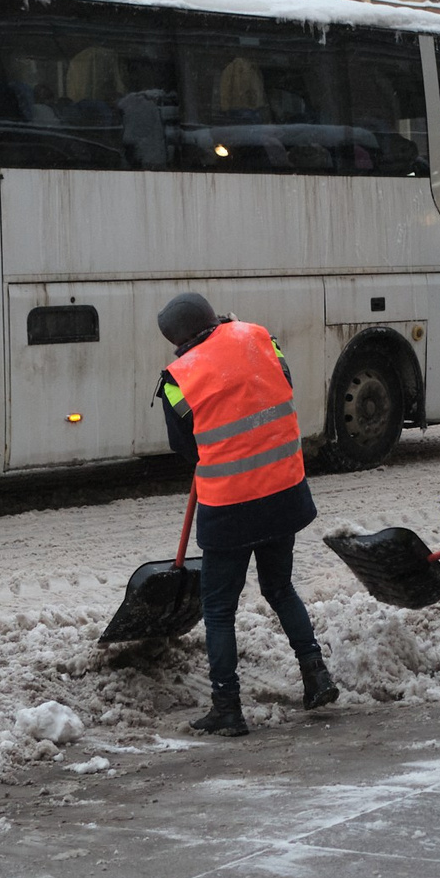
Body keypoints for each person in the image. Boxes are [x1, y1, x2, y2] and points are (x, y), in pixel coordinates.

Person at [157, 292, 336, 735]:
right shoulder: (260, 337)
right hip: (282, 490)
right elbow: (281, 387)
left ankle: (228, 708)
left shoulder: (178, 377)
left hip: (230, 506)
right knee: (279, 587)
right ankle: (316, 676)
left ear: (176, 340)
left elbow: (185, 447)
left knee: (218, 609)